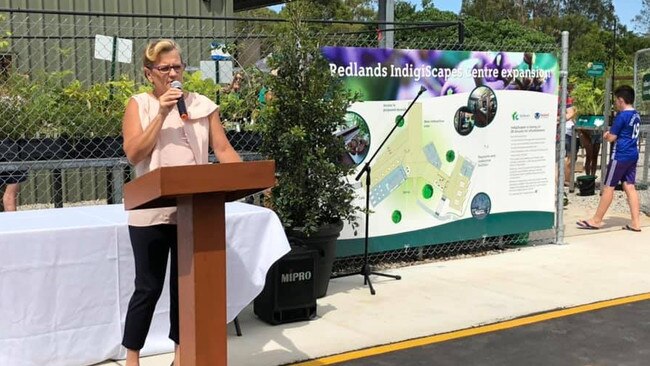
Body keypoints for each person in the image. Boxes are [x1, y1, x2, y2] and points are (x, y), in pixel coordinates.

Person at [121, 39, 241, 366]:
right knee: (147, 287)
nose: (173, 73)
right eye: (164, 68)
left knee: (184, 288)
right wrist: (161, 112)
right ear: (149, 74)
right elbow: (134, 154)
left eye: (177, 66)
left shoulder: (201, 105)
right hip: (151, 212)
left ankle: (180, 356)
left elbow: (224, 150)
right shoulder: (139, 105)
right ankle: (133, 358)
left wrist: (243, 176)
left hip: (193, 211)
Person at [577, 85, 641, 232]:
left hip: (620, 155)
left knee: (608, 187)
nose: (615, 104)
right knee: (629, 186)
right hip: (632, 154)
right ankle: (636, 223)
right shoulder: (636, 114)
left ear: (621, 100)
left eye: (616, 101)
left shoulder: (622, 116)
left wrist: (606, 135)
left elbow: (612, 137)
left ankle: (596, 220)